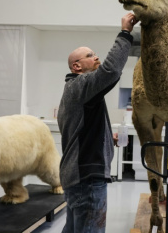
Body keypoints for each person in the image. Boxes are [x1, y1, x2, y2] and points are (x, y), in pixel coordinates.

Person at [57, 13, 138, 233]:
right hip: (87, 179)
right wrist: (125, 33)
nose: (96, 58)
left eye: (95, 54)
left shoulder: (74, 91)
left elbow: (81, 133)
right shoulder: (80, 86)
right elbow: (110, 71)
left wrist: (106, 139)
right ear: (77, 66)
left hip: (77, 177)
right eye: (90, 55)